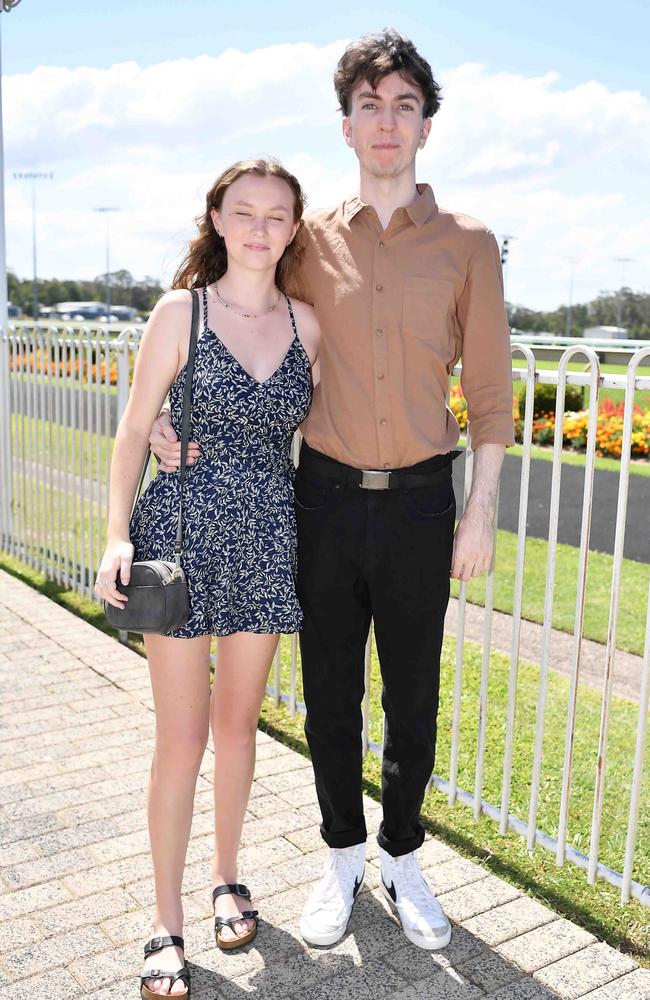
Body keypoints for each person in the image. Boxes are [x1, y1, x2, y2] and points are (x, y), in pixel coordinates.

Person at [150, 30, 514, 954]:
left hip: (427, 503)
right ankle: (343, 855)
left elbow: (495, 396)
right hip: (322, 500)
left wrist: (480, 512)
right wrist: (162, 412)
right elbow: (214, 299)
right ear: (346, 125)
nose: (385, 123)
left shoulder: (468, 244)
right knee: (330, 693)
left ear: (426, 126)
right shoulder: (305, 241)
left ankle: (402, 855)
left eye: (403, 106)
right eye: (368, 106)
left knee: (415, 692)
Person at [94, 158, 319, 998]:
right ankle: (166, 922)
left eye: (277, 215)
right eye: (245, 212)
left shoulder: (308, 324)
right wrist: (117, 534)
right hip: (179, 539)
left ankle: (228, 877)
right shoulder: (178, 312)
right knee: (180, 739)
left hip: (265, 544)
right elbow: (128, 431)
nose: (261, 228)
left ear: (294, 228)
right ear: (218, 219)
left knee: (239, 729)